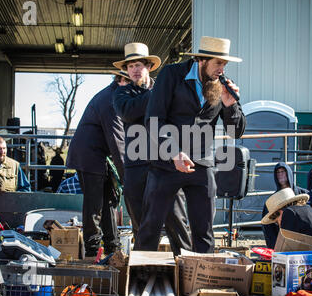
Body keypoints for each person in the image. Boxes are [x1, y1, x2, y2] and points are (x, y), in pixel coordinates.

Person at [134, 36, 246, 253]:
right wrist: (174, 153)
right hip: (166, 162)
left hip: (201, 163)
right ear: (201, 60)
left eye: (225, 64)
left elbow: (235, 132)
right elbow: (154, 119)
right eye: (218, 63)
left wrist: (230, 105)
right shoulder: (171, 74)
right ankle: (140, 279)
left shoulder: (222, 85)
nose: (222, 69)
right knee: (150, 227)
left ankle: (201, 281)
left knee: (204, 231)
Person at [113, 42, 192, 255]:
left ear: (149, 66)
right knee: (142, 225)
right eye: (130, 67)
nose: (135, 70)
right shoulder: (122, 94)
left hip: (166, 164)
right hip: (137, 167)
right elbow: (129, 112)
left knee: (177, 221)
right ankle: (144, 273)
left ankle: (186, 269)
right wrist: (159, 94)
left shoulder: (164, 88)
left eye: (139, 64)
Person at [66, 69, 131, 257]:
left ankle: (113, 247)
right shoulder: (110, 100)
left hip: (101, 155)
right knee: (94, 204)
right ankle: (92, 250)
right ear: (120, 80)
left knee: (109, 200)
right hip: (89, 155)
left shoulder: (118, 97)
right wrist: (128, 178)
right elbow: (117, 140)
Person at [261, 162, 309, 249]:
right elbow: (268, 228)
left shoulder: (303, 194)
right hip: (282, 240)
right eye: (278, 172)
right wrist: (274, 247)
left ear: (288, 173)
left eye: (283, 171)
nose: (280, 175)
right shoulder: (272, 200)